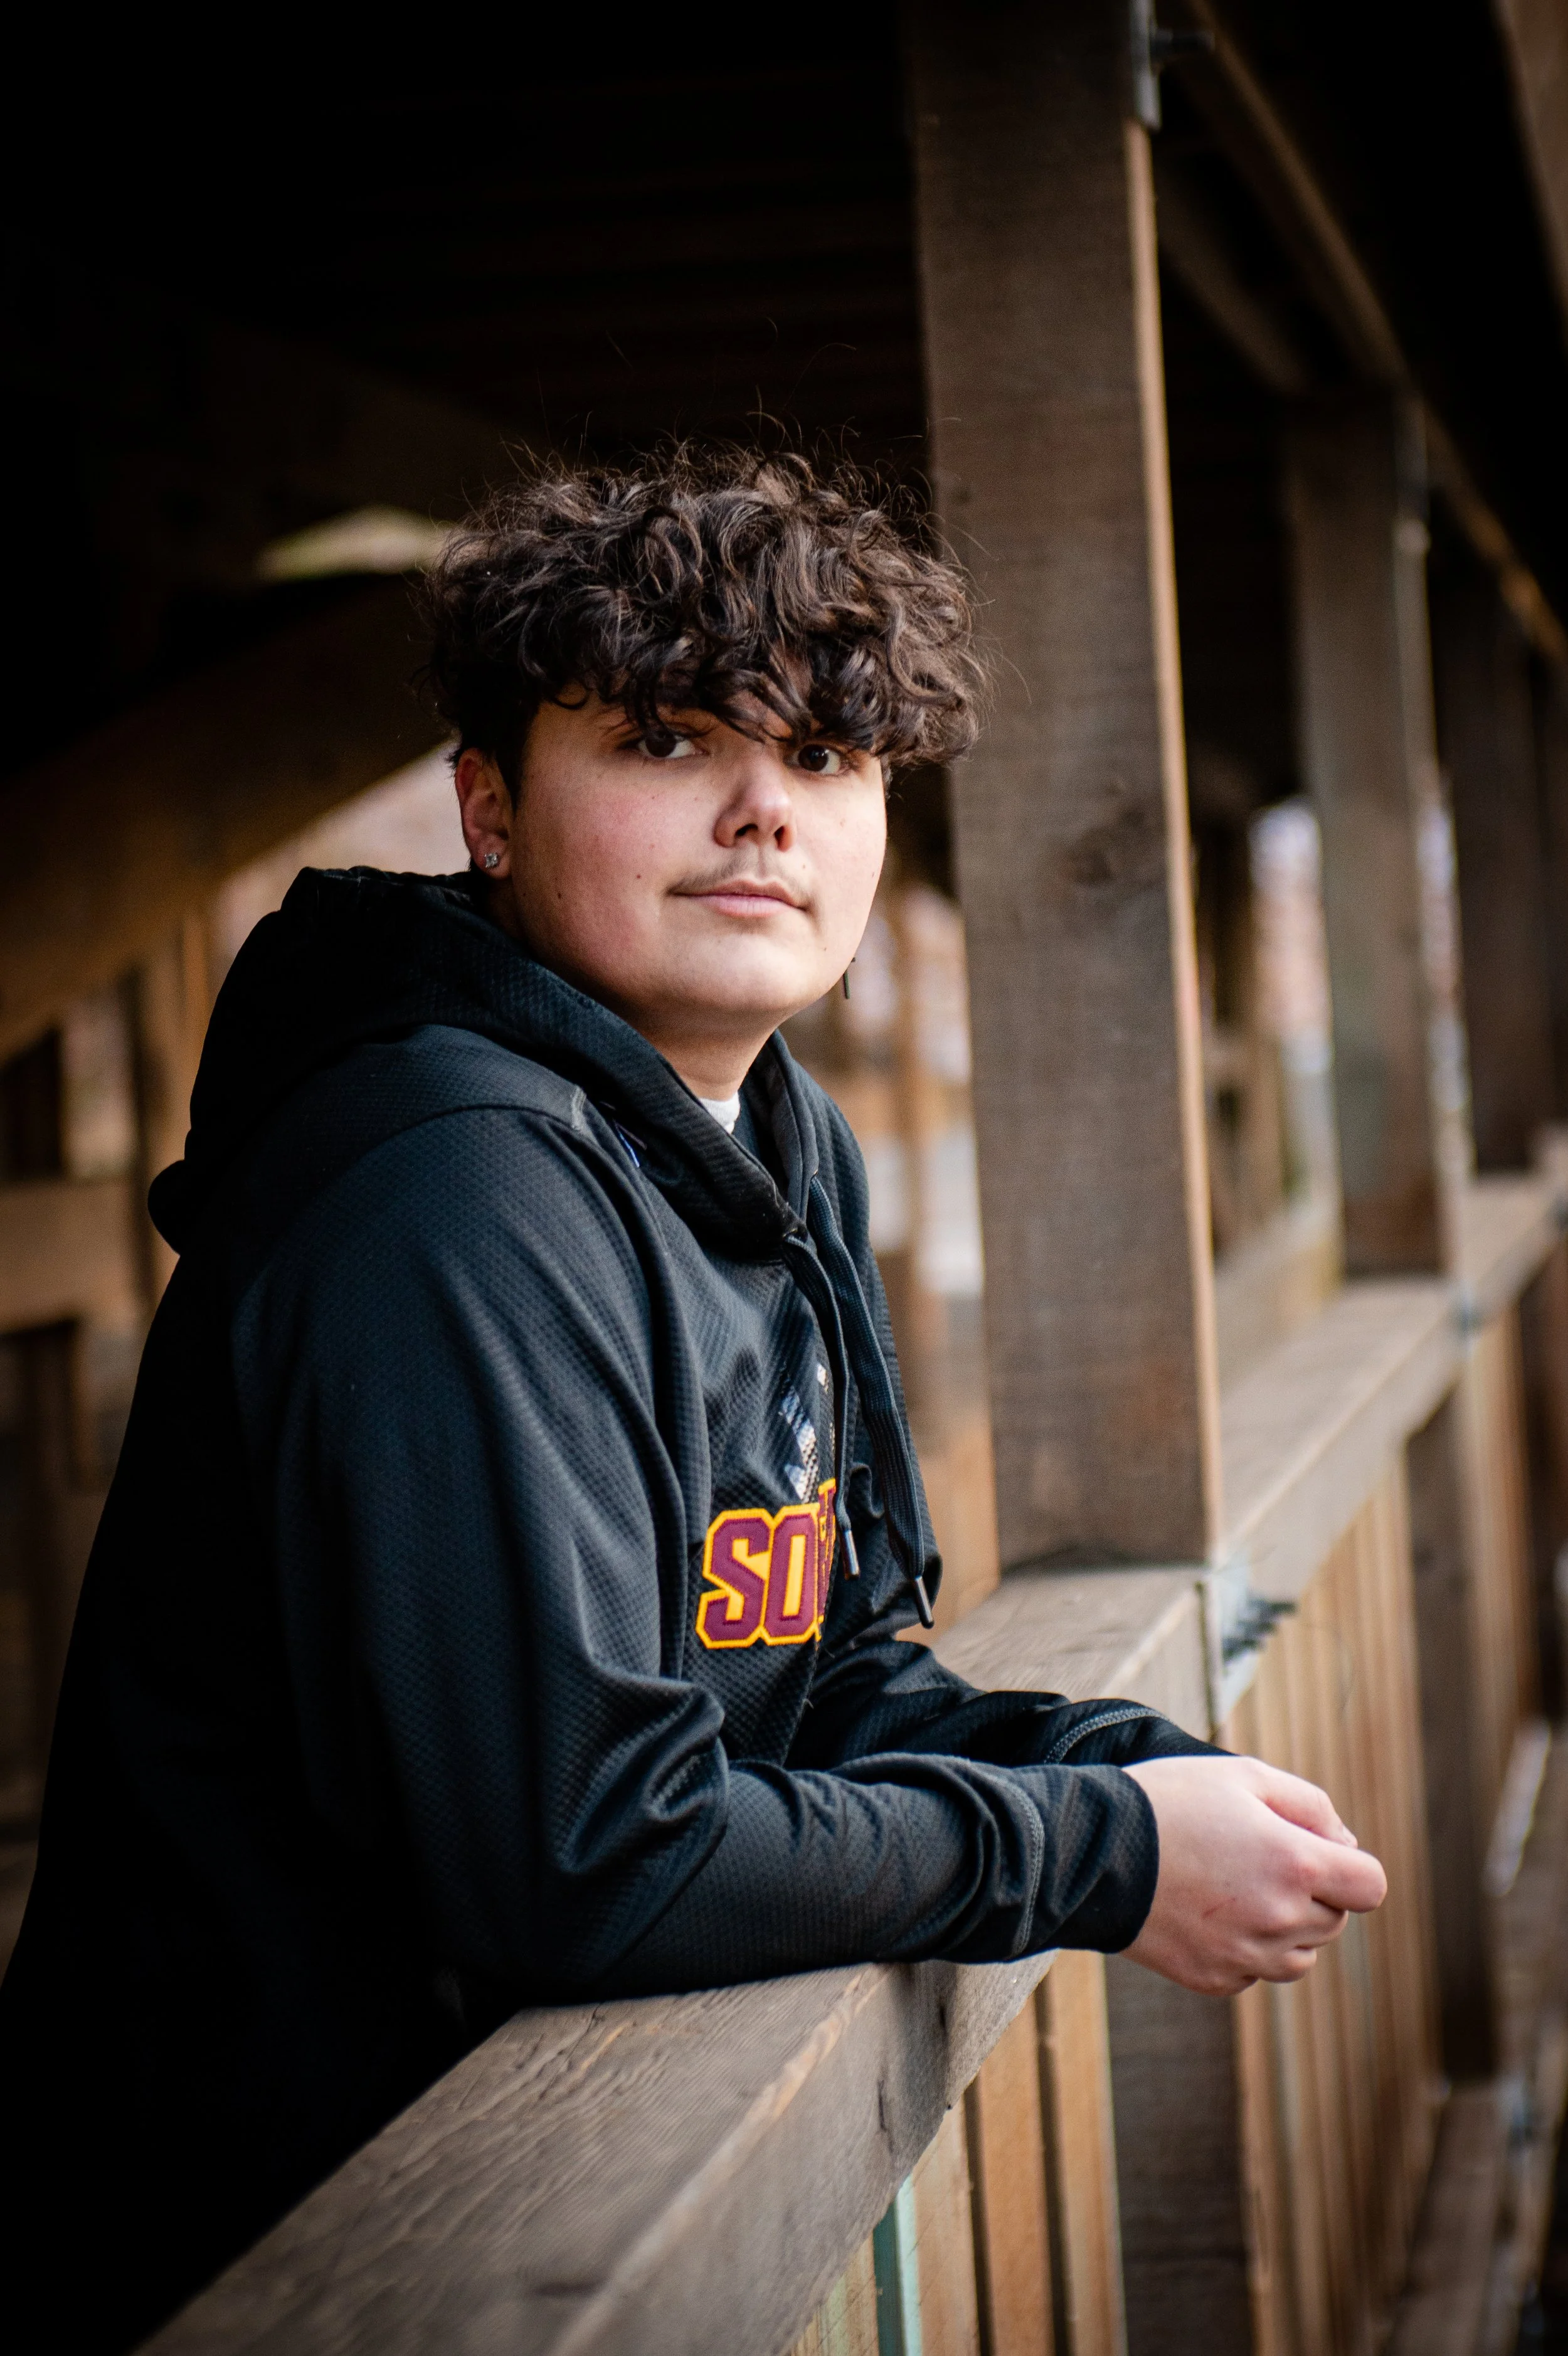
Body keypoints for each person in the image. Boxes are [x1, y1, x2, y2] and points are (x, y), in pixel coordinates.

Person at [0, 449, 1385, 2351]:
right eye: (664, 739)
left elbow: (812, 1674)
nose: (762, 812)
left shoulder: (764, 1138)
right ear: (488, 808)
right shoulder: (451, 1194)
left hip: (527, 2192)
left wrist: (1107, 1760)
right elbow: (591, 1855)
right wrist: (1098, 1858)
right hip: (285, 2253)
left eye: (822, 753)